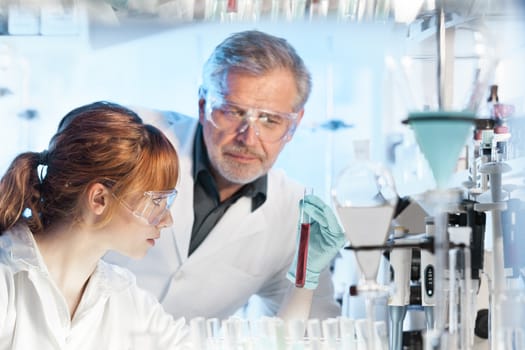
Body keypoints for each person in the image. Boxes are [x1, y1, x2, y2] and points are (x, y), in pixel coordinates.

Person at [106, 30, 346, 321]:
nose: (248, 138)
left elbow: (314, 328)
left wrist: (310, 277)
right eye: (232, 112)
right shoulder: (133, 139)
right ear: (203, 104)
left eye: (270, 120)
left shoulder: (293, 215)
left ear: (295, 124)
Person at [0, 102, 189, 349]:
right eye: (156, 202)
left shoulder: (125, 297)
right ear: (99, 198)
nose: (167, 220)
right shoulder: (7, 281)